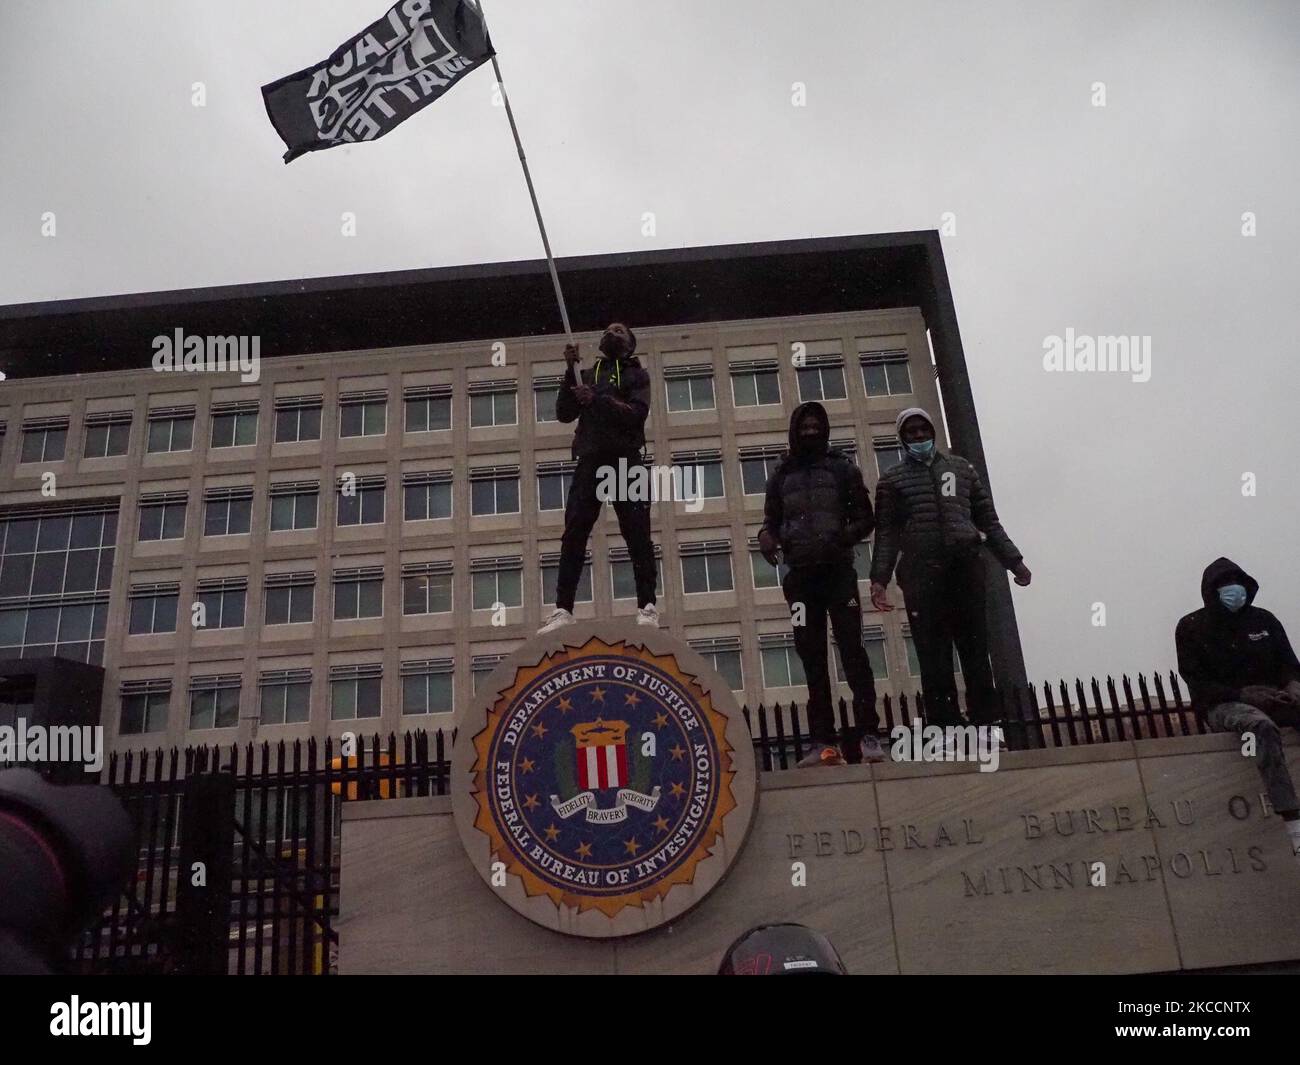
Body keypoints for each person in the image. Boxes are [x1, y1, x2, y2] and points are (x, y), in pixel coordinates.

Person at [868, 408, 1031, 729]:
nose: (918, 436)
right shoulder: (892, 481)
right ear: (902, 438)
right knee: (933, 653)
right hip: (921, 573)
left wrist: (1014, 561)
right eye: (911, 431)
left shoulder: (962, 470)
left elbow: (988, 520)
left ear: (932, 432)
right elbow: (886, 533)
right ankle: (944, 722)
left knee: (974, 648)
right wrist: (879, 579)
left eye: (922, 430)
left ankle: (986, 719)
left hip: (965, 568)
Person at [759, 402, 879, 767]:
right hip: (799, 579)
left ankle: (868, 736)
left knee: (853, 654)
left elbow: (865, 518)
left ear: (824, 429)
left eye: (816, 425)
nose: (810, 431)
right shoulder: (780, 475)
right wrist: (766, 535)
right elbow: (770, 521)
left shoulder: (843, 469)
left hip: (839, 574)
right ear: (795, 430)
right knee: (811, 659)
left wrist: (839, 539)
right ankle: (823, 743)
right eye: (804, 426)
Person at [538, 323, 659, 634]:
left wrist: (597, 400)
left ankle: (647, 605)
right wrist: (569, 372)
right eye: (608, 329)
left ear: (631, 344)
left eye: (619, 330)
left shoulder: (637, 375)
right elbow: (564, 413)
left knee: (636, 534)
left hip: (625, 459)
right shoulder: (587, 374)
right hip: (591, 459)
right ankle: (563, 608)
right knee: (575, 532)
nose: (612, 331)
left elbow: (636, 413)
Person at [1176, 557, 1300, 860]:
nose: (1234, 590)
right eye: (1225, 585)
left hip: (1276, 697)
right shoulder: (1192, 627)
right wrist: (1243, 694)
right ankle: (1294, 823)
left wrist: (1293, 687)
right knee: (1260, 727)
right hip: (1225, 705)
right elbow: (1198, 682)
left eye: (1238, 583)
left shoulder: (1264, 620)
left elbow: (1289, 664)